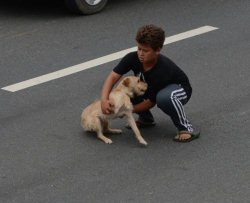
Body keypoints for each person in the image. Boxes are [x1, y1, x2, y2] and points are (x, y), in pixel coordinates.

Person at [100, 24, 200, 142]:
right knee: (129, 88)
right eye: (139, 49)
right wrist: (104, 99)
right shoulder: (132, 58)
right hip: (152, 87)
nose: (141, 54)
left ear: (157, 50)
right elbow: (113, 77)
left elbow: (151, 102)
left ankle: (185, 128)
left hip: (178, 90)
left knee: (164, 98)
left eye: (145, 51)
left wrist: (127, 111)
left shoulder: (162, 69)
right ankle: (146, 119)